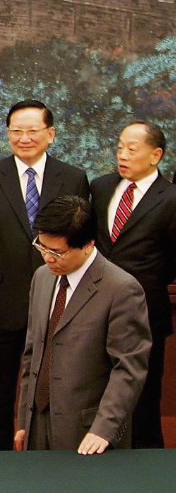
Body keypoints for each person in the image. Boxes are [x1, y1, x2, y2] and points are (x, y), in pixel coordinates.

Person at [0, 99, 90, 450]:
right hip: (2, 297)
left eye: (32, 130)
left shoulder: (74, 177)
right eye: (16, 131)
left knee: (55, 377)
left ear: (50, 134)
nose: (24, 138)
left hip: (59, 295)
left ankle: (49, 452)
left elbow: (82, 244)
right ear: (7, 134)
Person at [15, 195, 150, 453]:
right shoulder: (42, 279)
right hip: (37, 424)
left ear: (88, 244)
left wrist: (105, 428)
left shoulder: (121, 289)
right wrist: (24, 420)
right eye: (42, 247)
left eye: (58, 252)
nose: (47, 258)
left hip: (88, 432)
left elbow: (129, 369)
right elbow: (32, 353)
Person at [90, 120, 176, 448]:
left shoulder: (171, 198)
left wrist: (142, 285)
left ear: (155, 155)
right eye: (120, 147)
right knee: (98, 395)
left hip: (145, 315)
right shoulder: (100, 188)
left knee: (143, 399)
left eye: (132, 149)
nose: (122, 155)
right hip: (96, 311)